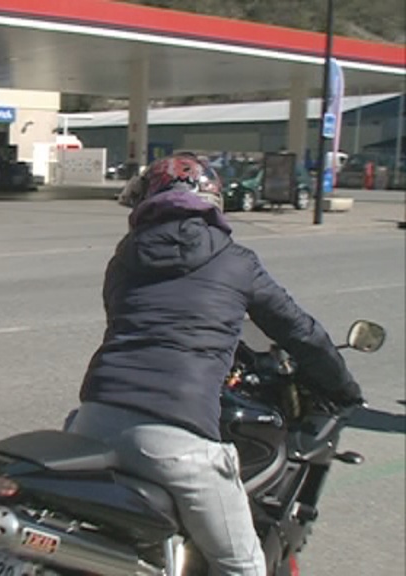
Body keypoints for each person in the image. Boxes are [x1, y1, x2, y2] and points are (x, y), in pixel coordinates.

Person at [66, 152, 362, 575]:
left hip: (92, 420)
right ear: (212, 200)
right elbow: (299, 332)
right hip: (176, 437)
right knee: (242, 566)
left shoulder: (123, 260)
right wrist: (344, 387)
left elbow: (131, 328)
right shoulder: (236, 262)